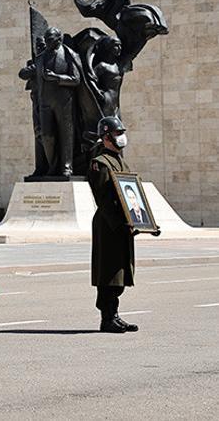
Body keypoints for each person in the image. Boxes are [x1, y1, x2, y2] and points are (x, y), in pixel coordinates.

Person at [88, 116, 158, 334]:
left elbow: (131, 197)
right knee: (109, 272)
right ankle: (107, 318)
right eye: (117, 134)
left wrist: (146, 223)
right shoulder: (100, 163)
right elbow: (104, 201)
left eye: (121, 133)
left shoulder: (118, 159)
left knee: (120, 271)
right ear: (106, 137)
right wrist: (121, 224)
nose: (121, 137)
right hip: (109, 226)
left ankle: (115, 315)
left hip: (122, 225)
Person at [35, 27, 81, 176]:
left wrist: (57, 77)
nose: (47, 43)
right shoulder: (40, 58)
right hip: (45, 103)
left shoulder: (69, 55)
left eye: (51, 40)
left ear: (59, 39)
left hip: (64, 102)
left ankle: (67, 166)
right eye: (46, 40)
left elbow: (76, 79)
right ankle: (52, 166)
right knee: (47, 136)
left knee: (66, 134)